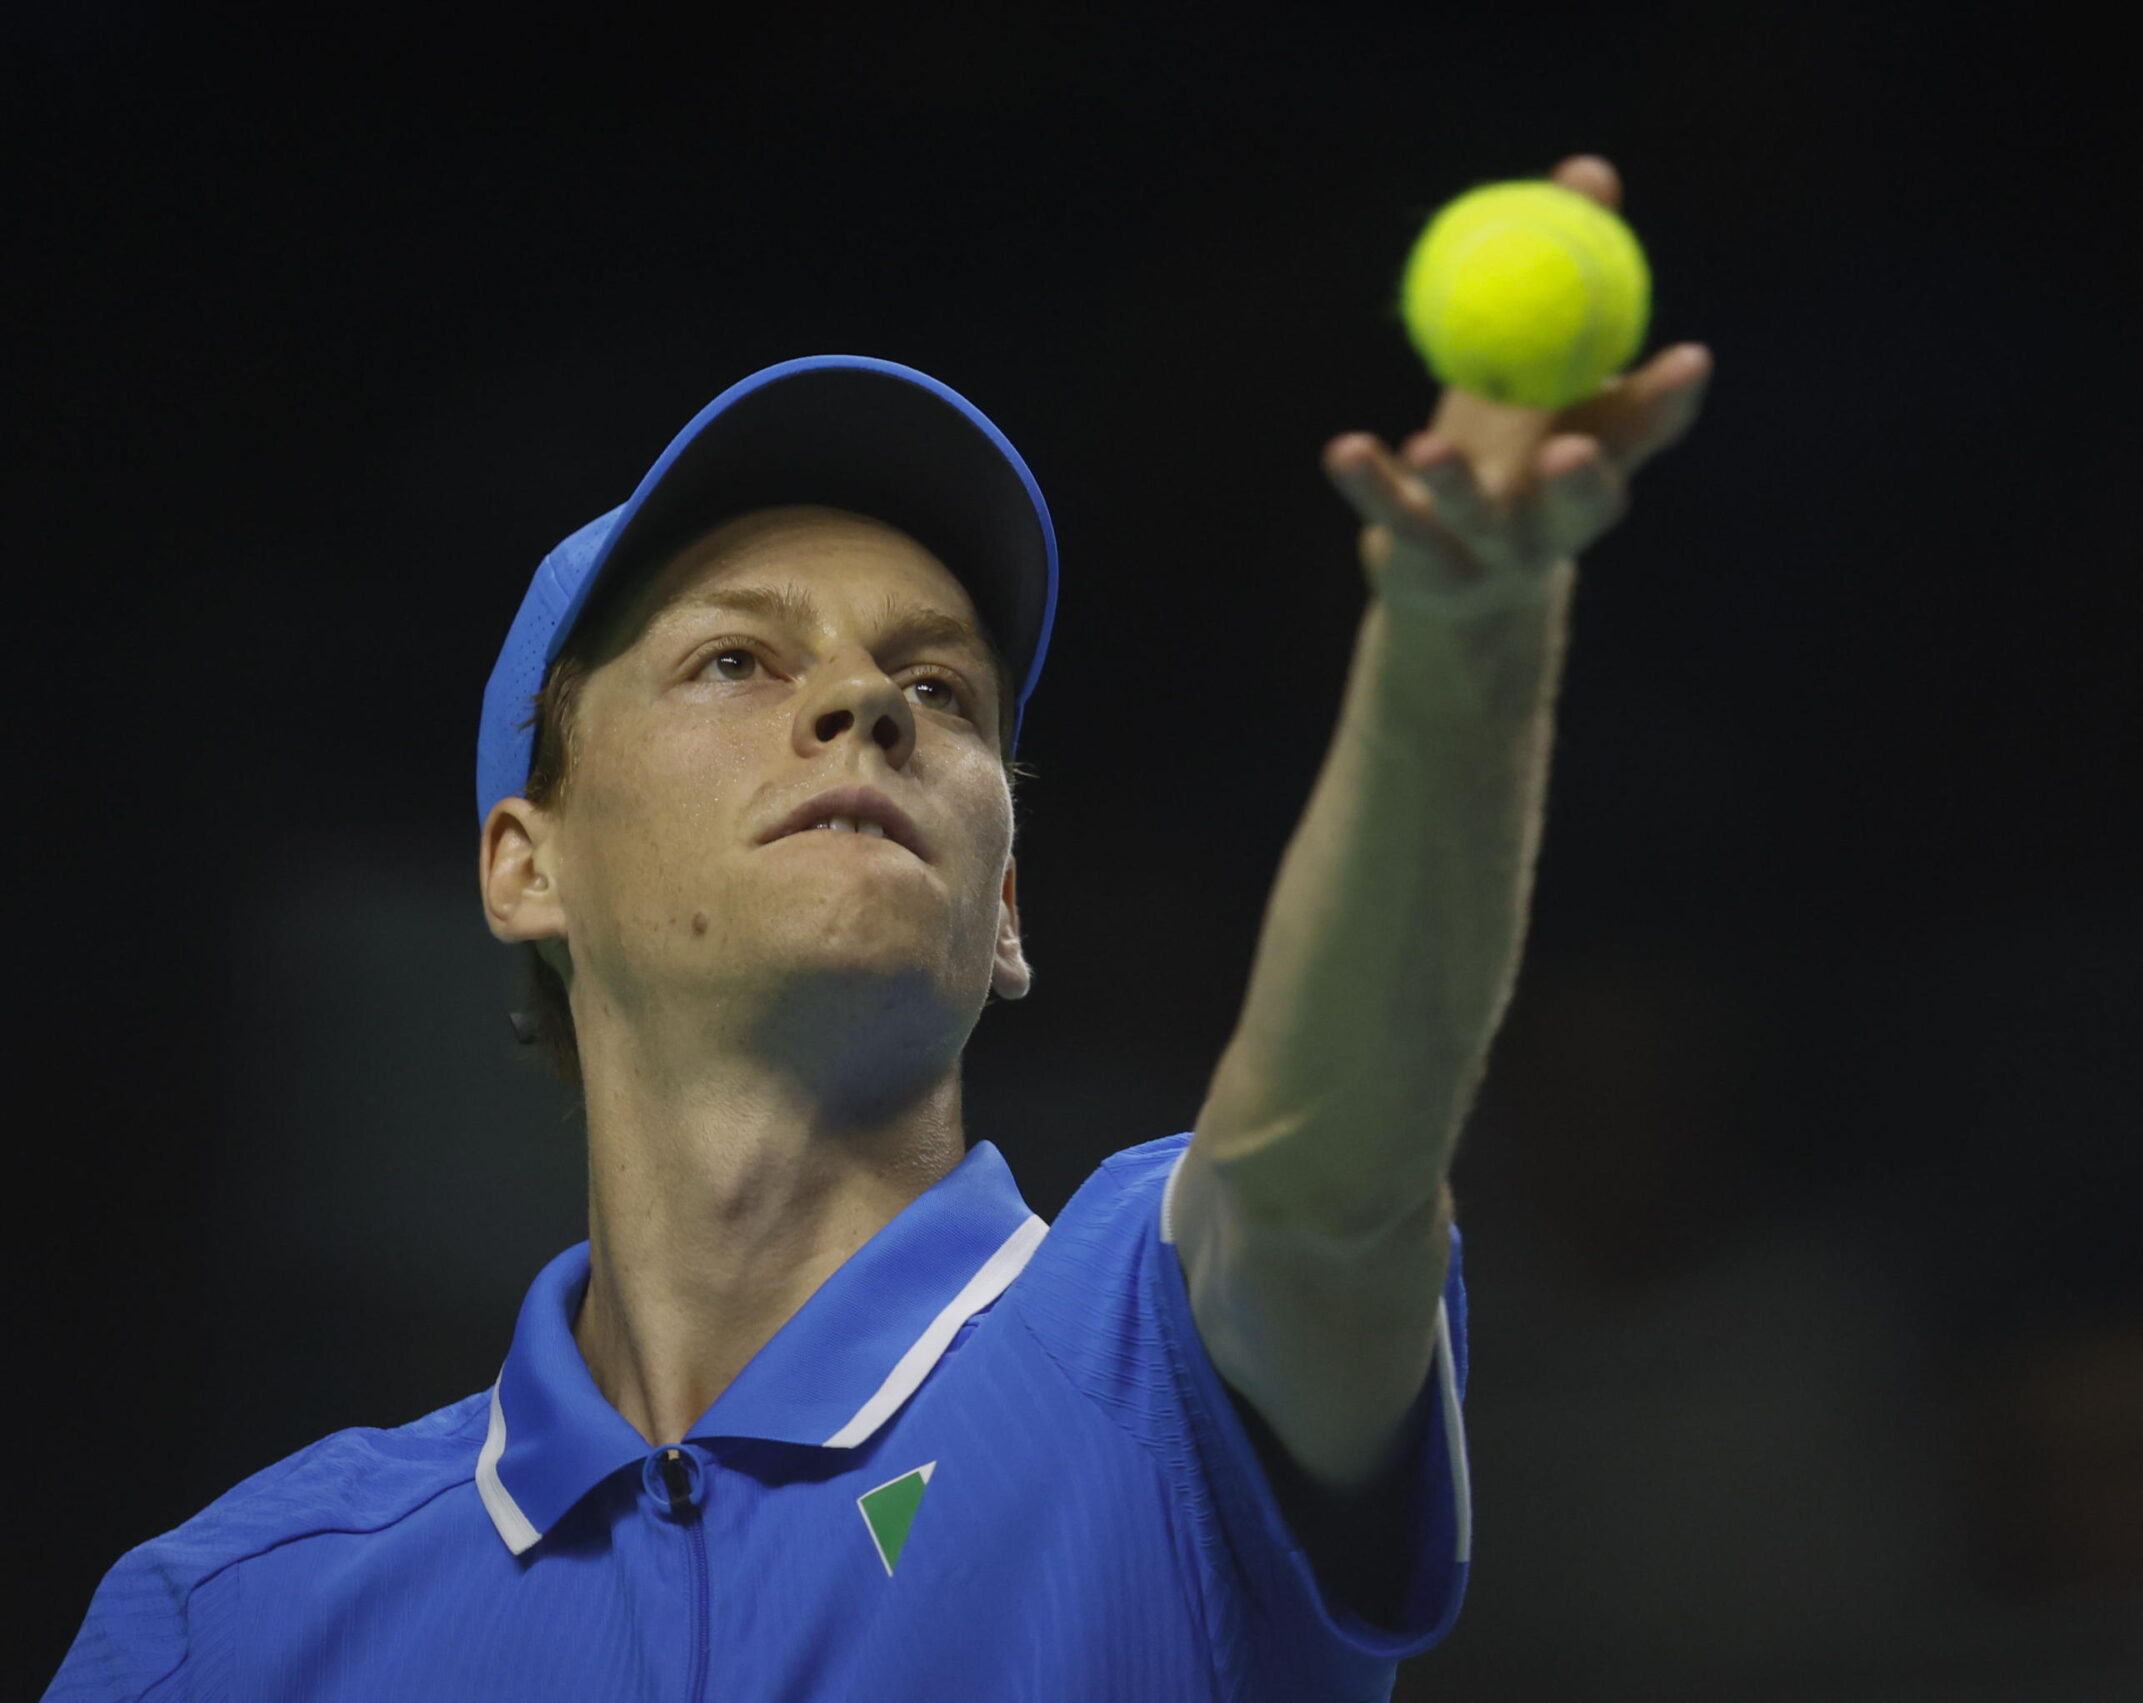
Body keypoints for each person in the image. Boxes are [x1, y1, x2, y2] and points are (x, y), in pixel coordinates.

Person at [46, 153, 1710, 1701]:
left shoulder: (1155, 1347)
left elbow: (1335, 1162)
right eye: (736, 661)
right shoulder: (226, 1627)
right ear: (524, 867)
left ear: (1001, 907)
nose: (861, 700)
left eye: (939, 685)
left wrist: (1463, 633)